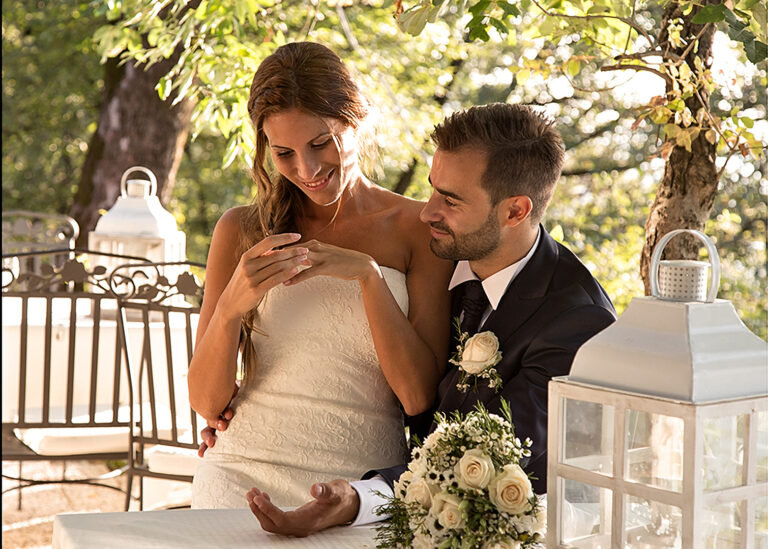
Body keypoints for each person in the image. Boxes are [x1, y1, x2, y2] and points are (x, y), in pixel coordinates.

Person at [210, 102, 617, 535]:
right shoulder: (445, 261)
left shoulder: (576, 320)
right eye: (432, 189)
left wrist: (356, 501)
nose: (427, 212)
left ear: (515, 211)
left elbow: (485, 460)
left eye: (451, 200)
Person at [188, 41, 453, 509]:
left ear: (357, 122)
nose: (306, 170)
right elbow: (208, 404)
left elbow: (416, 396)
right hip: (238, 471)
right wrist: (231, 306)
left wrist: (369, 278)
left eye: (320, 144)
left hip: (357, 486)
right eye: (284, 152)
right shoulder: (240, 230)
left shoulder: (418, 230)